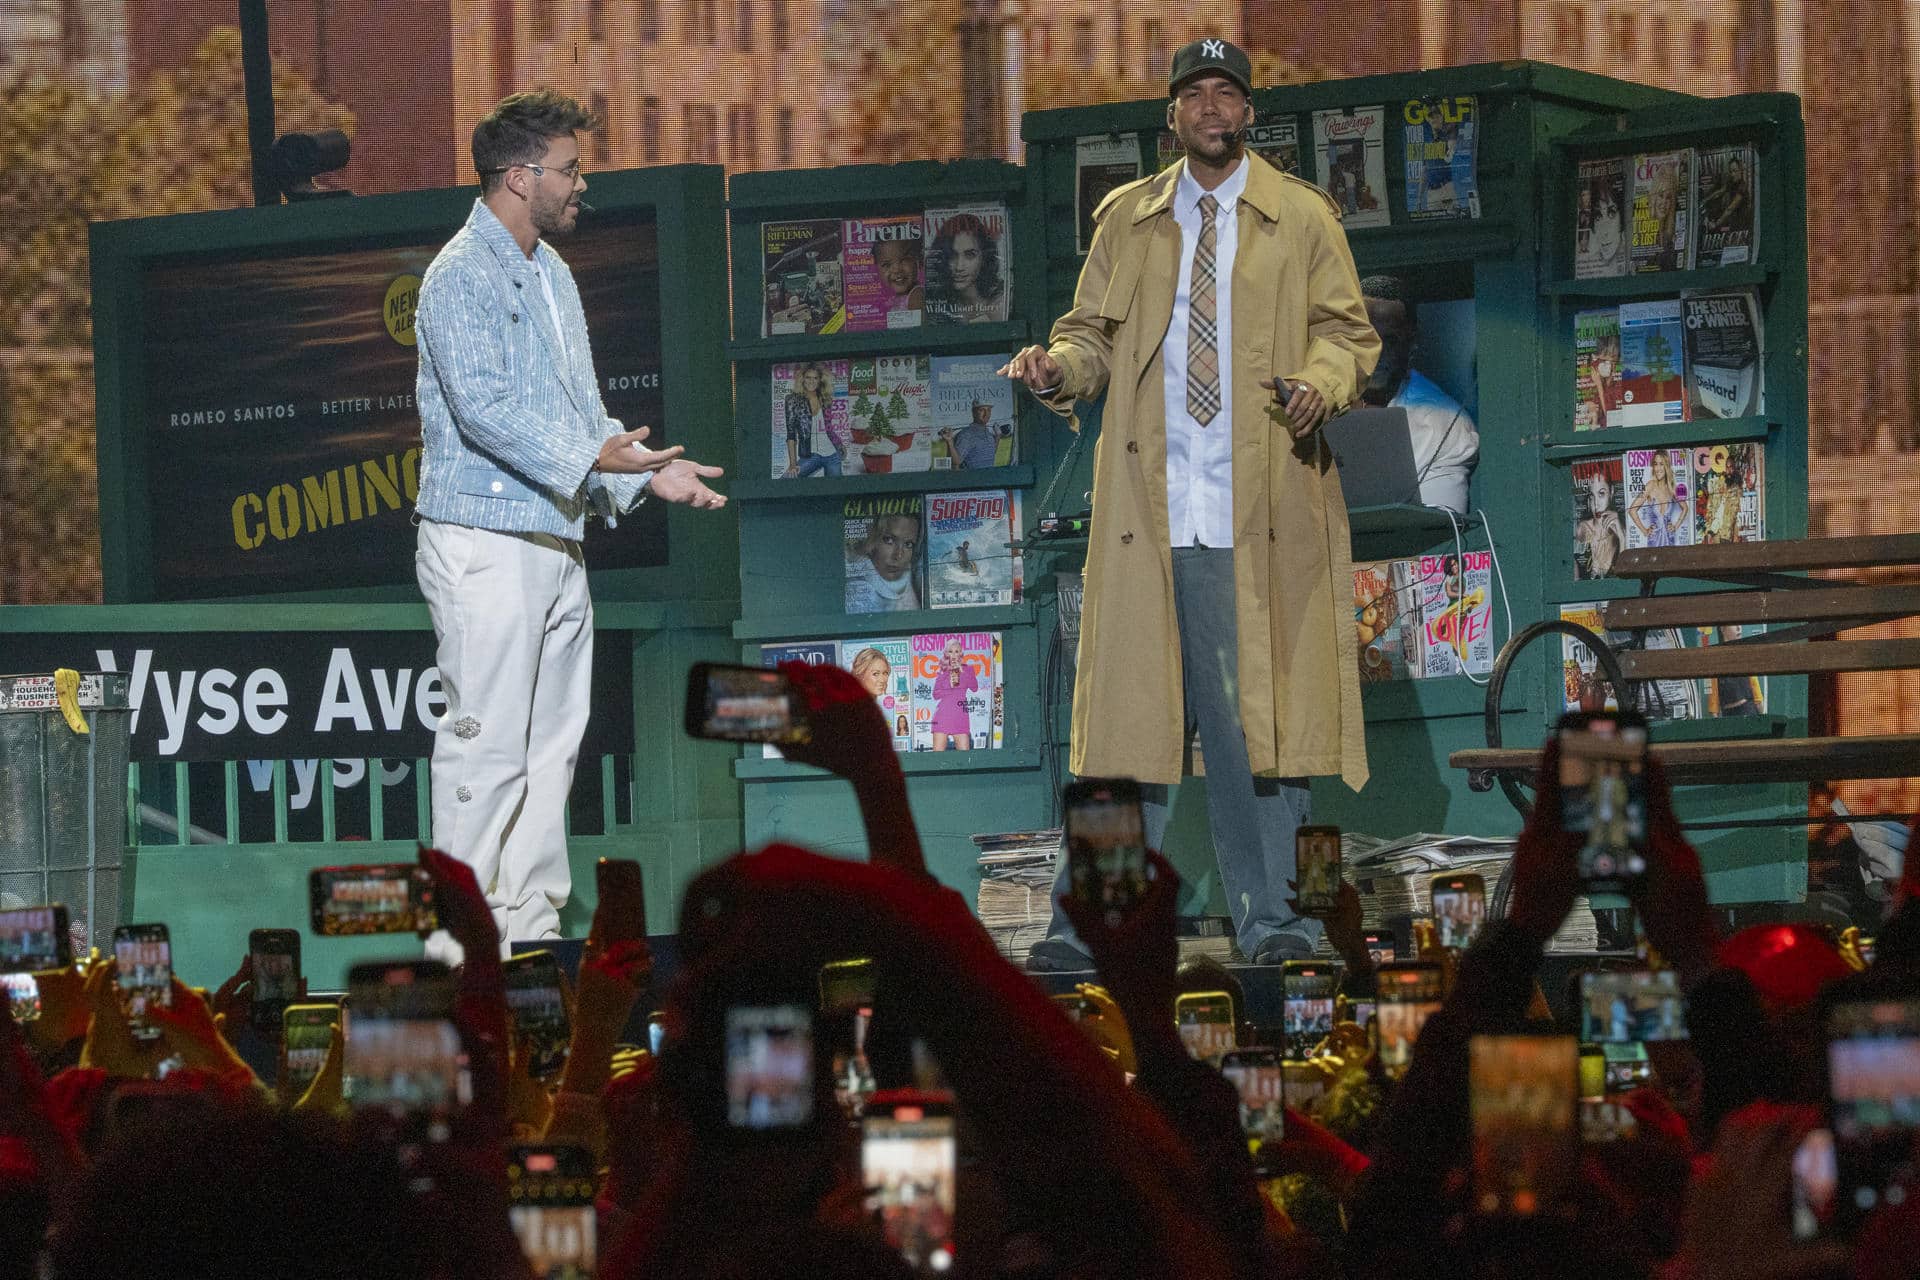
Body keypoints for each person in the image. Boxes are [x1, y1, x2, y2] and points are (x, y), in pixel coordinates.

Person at [1003, 38, 1380, 972]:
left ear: (1250, 112)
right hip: (1148, 511)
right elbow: (1087, 334)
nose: (1212, 110)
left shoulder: (1300, 217)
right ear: (1171, 115)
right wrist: (1058, 367)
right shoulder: (1129, 218)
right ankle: (1092, 928)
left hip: (1255, 510)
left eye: (1228, 94)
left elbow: (1348, 333)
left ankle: (1280, 922)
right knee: (1123, 732)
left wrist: (1321, 385)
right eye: (1195, 95)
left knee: (1264, 729)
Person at [412, 90, 728, 962]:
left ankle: (530, 939)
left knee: (550, 752)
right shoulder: (457, 275)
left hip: (555, 539)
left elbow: (581, 411)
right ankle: (457, 951)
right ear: (520, 177)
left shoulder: (552, 273)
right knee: (485, 752)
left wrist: (646, 475)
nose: (582, 184)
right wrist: (596, 460)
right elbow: (485, 412)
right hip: (484, 539)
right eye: (570, 169)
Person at [1356, 274, 1480, 513]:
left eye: (1390, 341)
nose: (1376, 353)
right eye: (1367, 340)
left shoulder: (1443, 425)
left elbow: (1438, 531)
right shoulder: (1317, 401)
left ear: (1412, 344)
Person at [925, 212, 1006, 323]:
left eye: (970, 255)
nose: (959, 266)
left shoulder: (1000, 302)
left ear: (984, 258)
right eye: (952, 256)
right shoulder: (939, 306)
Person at [843, 512, 921, 612]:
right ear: (871, 539)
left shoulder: (913, 581)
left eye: (908, 544)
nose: (898, 555)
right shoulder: (851, 580)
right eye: (889, 540)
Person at [783, 362, 843, 477]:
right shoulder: (792, 400)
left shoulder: (825, 399)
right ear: (802, 379)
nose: (811, 381)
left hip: (832, 455)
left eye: (815, 378)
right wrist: (792, 464)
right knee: (785, 480)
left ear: (820, 380)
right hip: (810, 456)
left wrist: (840, 445)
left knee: (838, 491)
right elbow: (791, 435)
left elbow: (829, 428)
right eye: (808, 378)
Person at [1627, 448, 1688, 547]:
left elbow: (1685, 508)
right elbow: (1632, 510)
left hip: (1670, 539)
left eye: (1661, 464)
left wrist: (1675, 526)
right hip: (1654, 540)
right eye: (1655, 464)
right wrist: (1645, 531)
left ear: (1667, 466)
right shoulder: (1650, 486)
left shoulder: (1672, 488)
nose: (1658, 468)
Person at [928, 636, 976, 751]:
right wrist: (947, 681)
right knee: (938, 759)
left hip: (960, 716)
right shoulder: (942, 671)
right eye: (950, 651)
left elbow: (974, 688)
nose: (954, 654)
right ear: (946, 654)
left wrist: (961, 670)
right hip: (943, 715)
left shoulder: (968, 669)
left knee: (965, 758)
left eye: (957, 651)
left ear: (961, 653)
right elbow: (935, 695)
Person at [939, 397, 1006, 470]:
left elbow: (991, 452)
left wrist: (998, 436)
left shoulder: (988, 433)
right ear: (974, 412)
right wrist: (949, 441)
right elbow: (956, 462)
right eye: (982, 410)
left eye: (989, 410)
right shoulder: (966, 435)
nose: (986, 414)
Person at [872, 236, 924, 315]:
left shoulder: (916, 295)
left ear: (919, 260)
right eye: (887, 265)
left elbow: (922, 327)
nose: (896, 270)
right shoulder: (898, 298)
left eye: (904, 260)